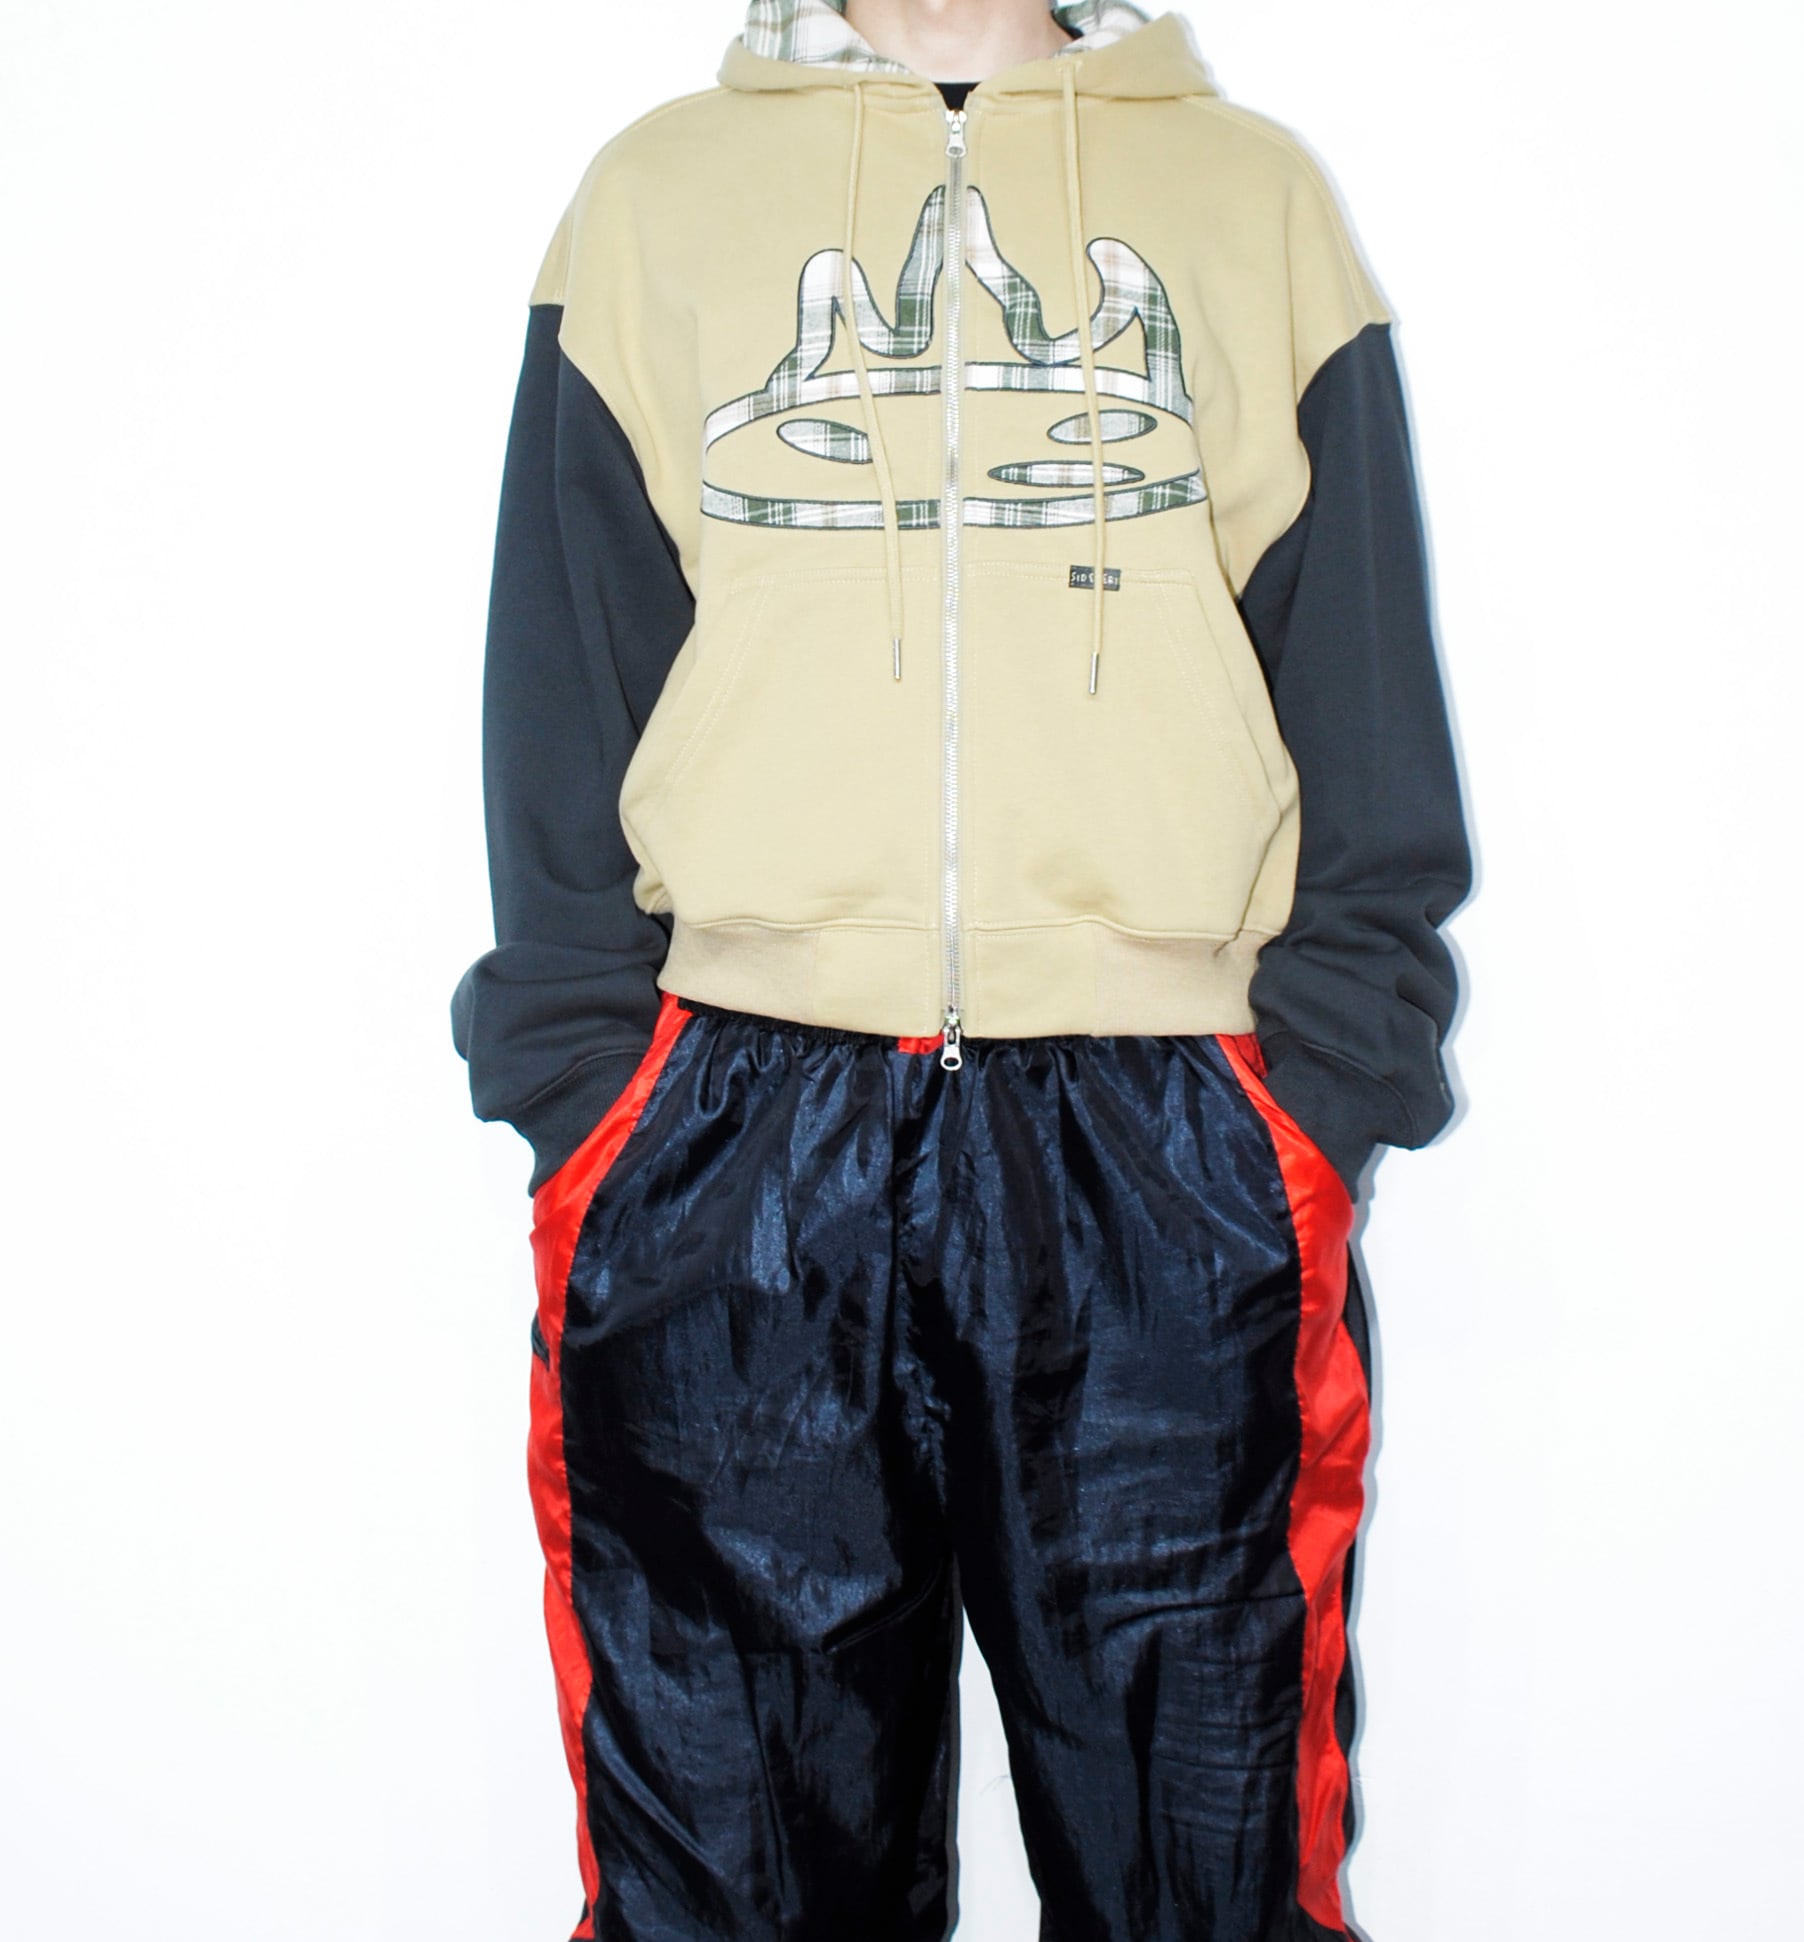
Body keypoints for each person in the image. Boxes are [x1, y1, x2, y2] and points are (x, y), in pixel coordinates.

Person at [450, 1, 1471, 1935]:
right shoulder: (655, 196)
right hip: (731, 1138)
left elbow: (1353, 675)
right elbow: (567, 673)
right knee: (731, 1886)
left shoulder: (1246, 198)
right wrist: (592, 1095)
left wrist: (1324, 1082)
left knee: (1201, 1875)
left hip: (1166, 1147)